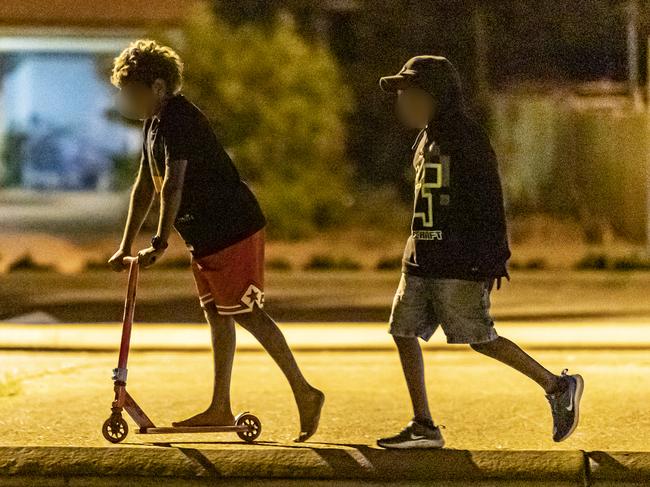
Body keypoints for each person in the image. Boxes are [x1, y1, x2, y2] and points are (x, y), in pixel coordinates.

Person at [107, 39, 324, 442]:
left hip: (231, 226)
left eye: (132, 91)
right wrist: (125, 244)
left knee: (245, 313)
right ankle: (220, 406)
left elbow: (173, 184)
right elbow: (144, 186)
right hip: (204, 233)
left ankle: (305, 391)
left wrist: (158, 240)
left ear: (157, 86)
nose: (128, 101)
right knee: (217, 315)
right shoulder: (154, 124)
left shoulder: (179, 118)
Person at [375, 55, 583, 449]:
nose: (405, 104)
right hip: (420, 260)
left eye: (412, 94)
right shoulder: (424, 139)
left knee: (480, 338)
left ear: (437, 96)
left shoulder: (467, 138)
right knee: (402, 330)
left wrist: (492, 259)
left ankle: (556, 386)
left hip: (458, 262)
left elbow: (490, 200)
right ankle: (424, 426)